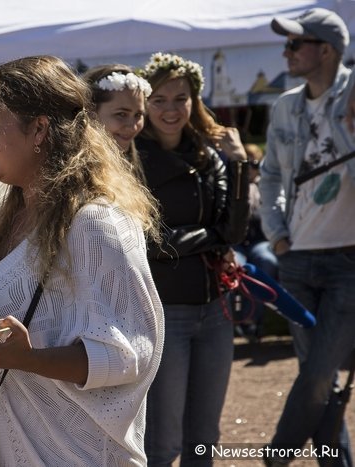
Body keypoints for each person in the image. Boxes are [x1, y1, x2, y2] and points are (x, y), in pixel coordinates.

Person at [0, 55, 164, 465]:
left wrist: (29, 360)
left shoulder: (97, 225)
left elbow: (130, 354)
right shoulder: (8, 215)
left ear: (39, 128)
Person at [134, 52, 250, 465]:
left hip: (215, 311)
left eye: (180, 98)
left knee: (205, 437)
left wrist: (239, 164)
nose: (170, 109)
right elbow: (147, 241)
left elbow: (235, 230)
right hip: (165, 313)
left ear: (194, 101)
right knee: (163, 442)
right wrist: (214, 238)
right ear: (145, 104)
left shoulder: (211, 155)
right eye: (160, 99)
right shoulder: (132, 161)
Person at [259, 8, 355, 465]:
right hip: (297, 258)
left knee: (319, 377)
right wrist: (277, 234)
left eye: (296, 44)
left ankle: (276, 456)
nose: (287, 51)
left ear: (328, 50)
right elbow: (272, 174)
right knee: (317, 380)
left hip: (347, 262)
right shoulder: (286, 104)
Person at [232, 143, 277, 341]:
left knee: (266, 262)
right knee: (234, 266)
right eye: (246, 162)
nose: (250, 166)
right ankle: (236, 320)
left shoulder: (266, 184)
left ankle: (253, 320)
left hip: (260, 239)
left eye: (254, 162)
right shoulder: (232, 182)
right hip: (237, 242)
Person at [82, 64, 152, 181]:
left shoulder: (142, 164)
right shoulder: (75, 172)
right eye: (121, 114)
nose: (133, 127)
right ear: (90, 112)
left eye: (138, 115)